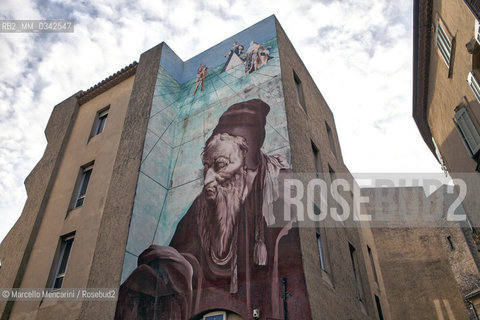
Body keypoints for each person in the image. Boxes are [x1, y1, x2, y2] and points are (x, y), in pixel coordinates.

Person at [115, 99, 306, 320]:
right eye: (206, 167)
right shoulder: (202, 205)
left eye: (220, 165)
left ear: (248, 164)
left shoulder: (283, 191)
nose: (208, 180)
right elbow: (182, 259)